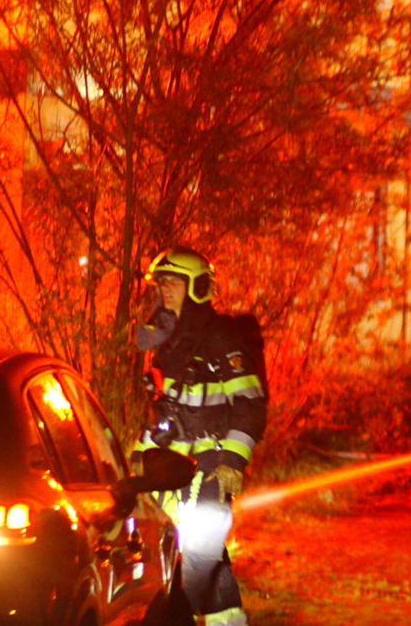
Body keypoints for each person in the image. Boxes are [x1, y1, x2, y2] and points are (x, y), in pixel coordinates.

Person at [133, 246, 267, 626]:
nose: (165, 289)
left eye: (174, 282)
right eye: (162, 283)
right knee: (191, 556)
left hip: (210, 466)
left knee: (200, 555)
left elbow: (249, 403)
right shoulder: (168, 337)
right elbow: (164, 409)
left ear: (198, 287)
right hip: (169, 466)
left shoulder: (220, 338)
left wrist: (233, 461)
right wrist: (138, 458)